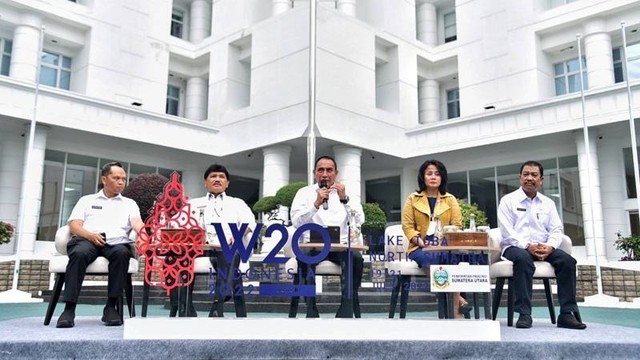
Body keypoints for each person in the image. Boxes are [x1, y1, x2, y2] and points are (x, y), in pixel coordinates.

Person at [498, 160, 586, 330]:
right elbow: (507, 231)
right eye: (526, 174)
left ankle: (567, 314)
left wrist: (551, 247)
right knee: (523, 259)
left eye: (534, 175)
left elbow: (556, 229)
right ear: (520, 177)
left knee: (568, 261)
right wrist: (527, 245)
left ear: (541, 179)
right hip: (516, 247)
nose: (529, 178)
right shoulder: (508, 200)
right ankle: (524, 314)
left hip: (544, 247)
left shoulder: (548, 203)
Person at [56, 162, 143, 328]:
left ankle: (111, 307)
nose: (121, 182)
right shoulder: (86, 200)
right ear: (104, 179)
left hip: (116, 242)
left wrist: (148, 233)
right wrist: (90, 235)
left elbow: (137, 222)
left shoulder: (129, 203)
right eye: (116, 178)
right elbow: (74, 225)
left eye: (124, 179)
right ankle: (69, 309)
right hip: (87, 239)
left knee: (122, 254)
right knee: (79, 253)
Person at [290, 155, 365, 318]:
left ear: (336, 173)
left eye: (329, 170)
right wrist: (316, 204)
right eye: (321, 170)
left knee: (356, 259)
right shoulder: (304, 193)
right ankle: (311, 310)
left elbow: (360, 220)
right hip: (313, 246)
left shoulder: (347, 193)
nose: (325, 174)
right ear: (314, 173)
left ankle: (346, 308)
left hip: (341, 247)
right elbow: (296, 222)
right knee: (304, 258)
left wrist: (344, 200)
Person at [402, 159, 471, 319]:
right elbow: (407, 227)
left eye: (437, 174)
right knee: (429, 256)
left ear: (442, 178)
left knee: (452, 257)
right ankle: (458, 303)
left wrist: (444, 242)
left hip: (445, 245)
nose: (433, 177)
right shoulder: (413, 198)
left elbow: (457, 225)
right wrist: (422, 243)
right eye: (429, 173)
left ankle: (452, 305)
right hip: (420, 247)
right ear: (423, 177)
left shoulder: (450, 199)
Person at [186, 163, 255, 318]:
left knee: (231, 251)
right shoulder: (193, 204)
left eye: (221, 177)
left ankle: (217, 306)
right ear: (205, 182)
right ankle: (186, 307)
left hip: (227, 247)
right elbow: (182, 225)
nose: (217, 179)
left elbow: (250, 224)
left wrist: (236, 236)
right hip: (199, 248)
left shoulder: (237, 203)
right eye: (213, 176)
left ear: (227, 183)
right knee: (179, 257)